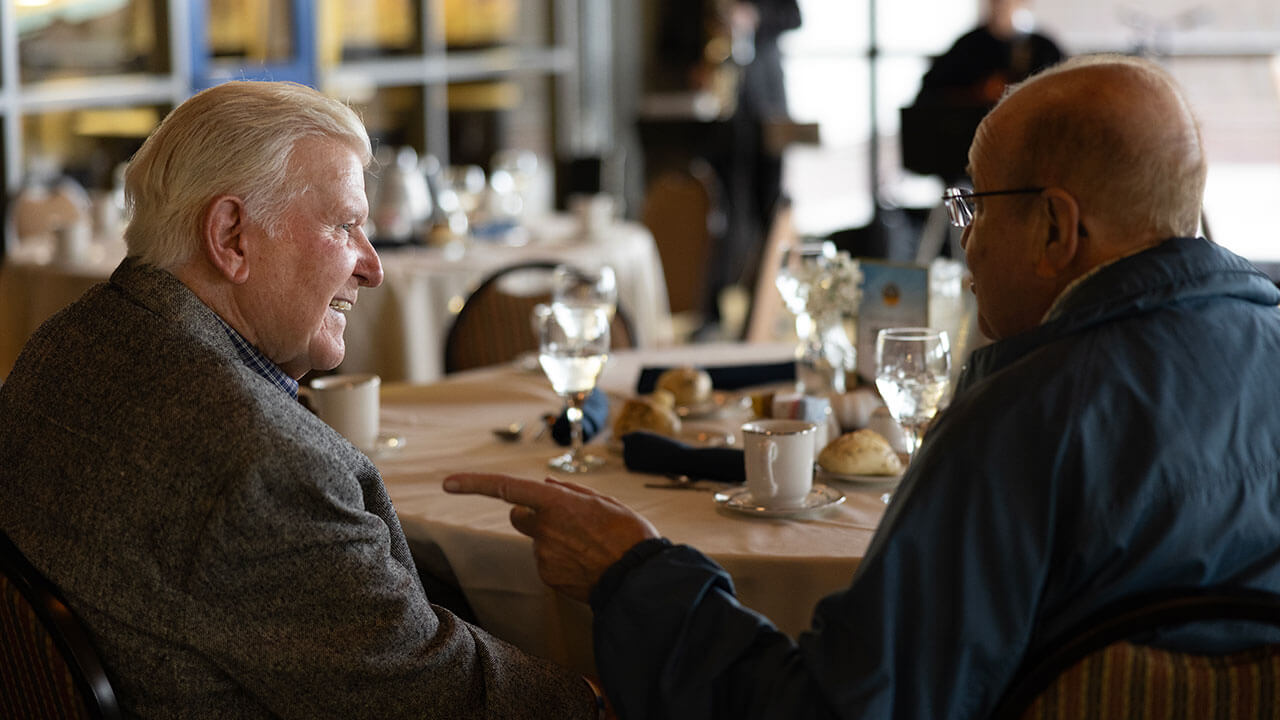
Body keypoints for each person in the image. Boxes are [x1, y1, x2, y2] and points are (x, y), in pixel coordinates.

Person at [445, 54, 1280, 718]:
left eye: (975, 208)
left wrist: (633, 574)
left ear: (1056, 227)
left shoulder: (1022, 425)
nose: (966, 245)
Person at [0, 81, 599, 718]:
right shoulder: (261, 465)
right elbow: (445, 700)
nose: (374, 267)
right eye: (345, 226)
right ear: (231, 236)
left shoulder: (60, 346)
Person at [917, 0, 1064, 106]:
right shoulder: (968, 46)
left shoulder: (1044, 48)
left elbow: (1065, 91)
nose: (1003, 5)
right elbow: (931, 93)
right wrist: (977, 93)